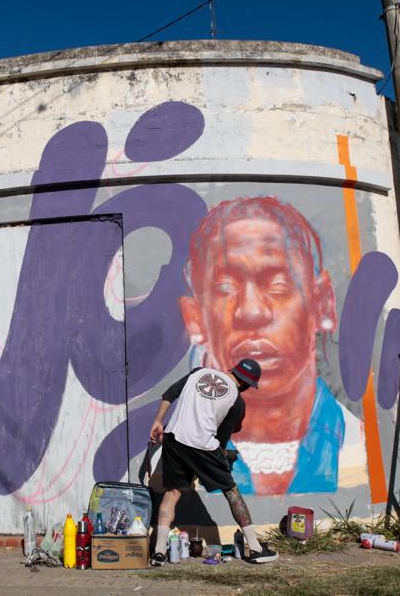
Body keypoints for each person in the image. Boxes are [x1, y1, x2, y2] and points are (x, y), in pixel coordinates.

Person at [179, 196, 345, 495]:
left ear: (322, 304)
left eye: (278, 284)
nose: (252, 311)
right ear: (195, 318)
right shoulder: (184, 450)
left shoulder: (356, 446)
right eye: (225, 288)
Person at [148, 358, 278, 566]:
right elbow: (220, 441)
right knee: (231, 491)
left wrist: (158, 421)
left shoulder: (199, 373)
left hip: (173, 438)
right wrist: (222, 461)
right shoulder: (237, 401)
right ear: (245, 384)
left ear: (232, 370)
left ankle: (159, 552)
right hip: (202, 446)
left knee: (172, 493)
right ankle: (255, 548)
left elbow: (170, 394)